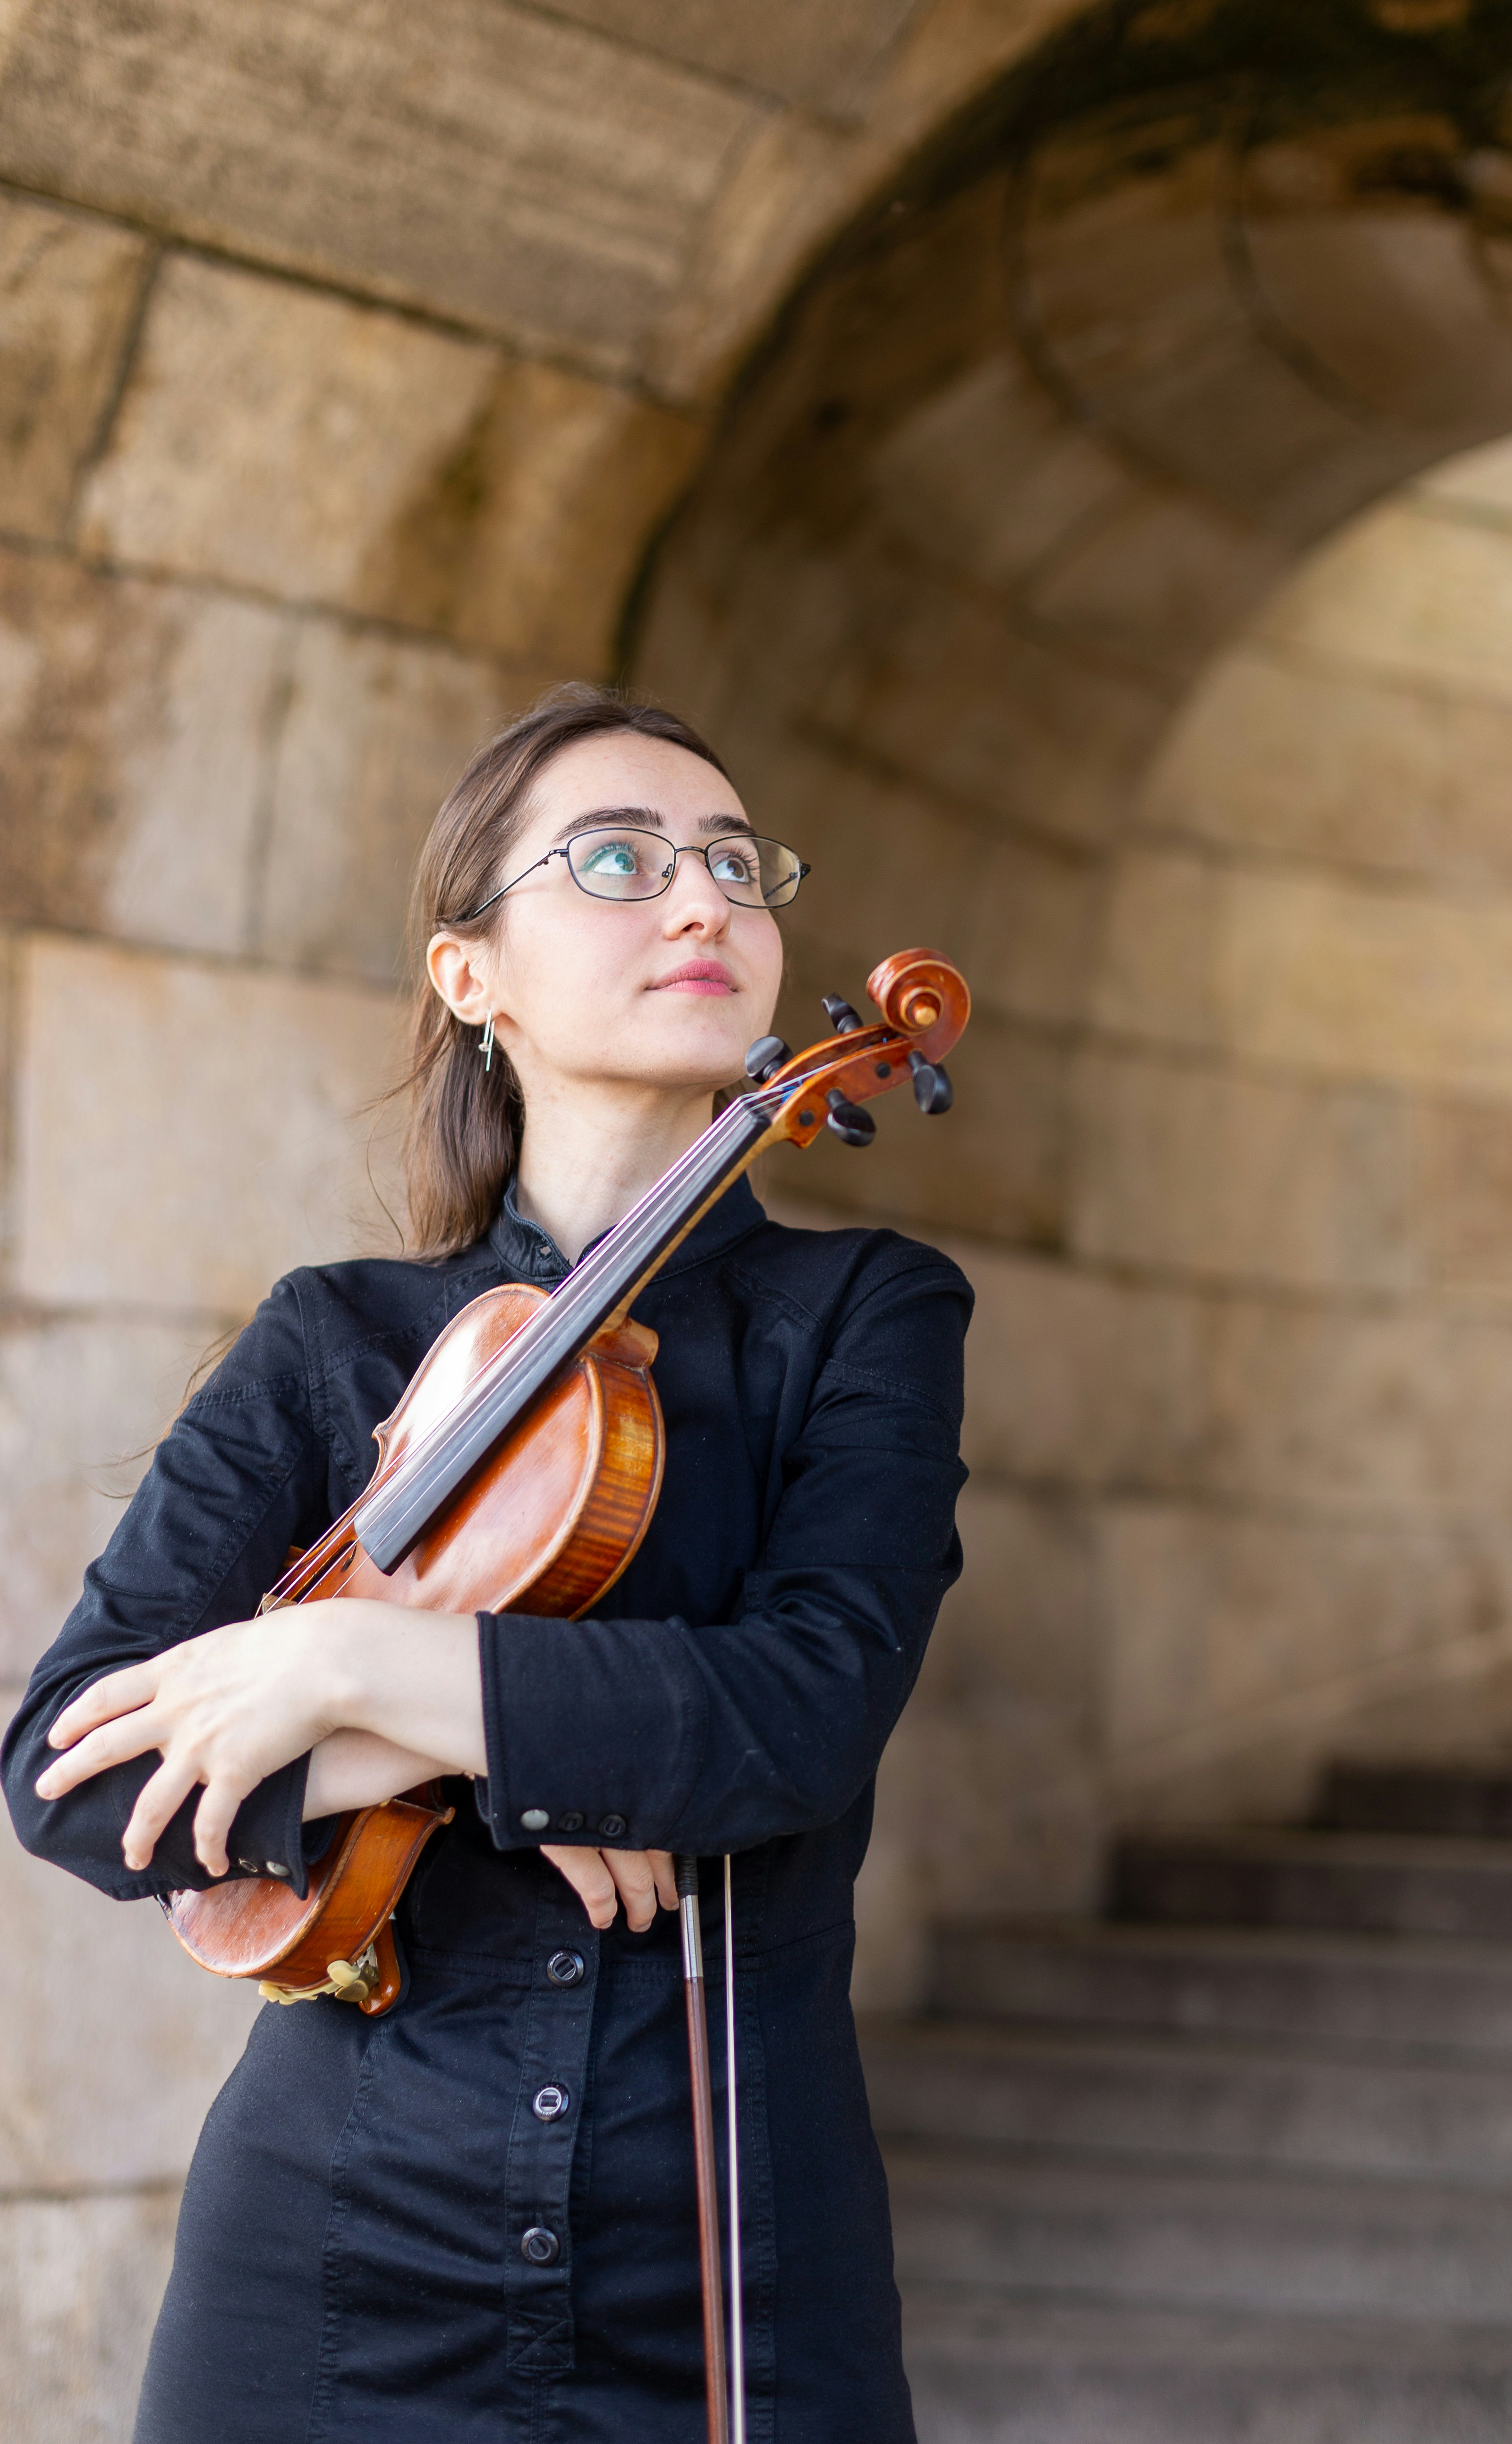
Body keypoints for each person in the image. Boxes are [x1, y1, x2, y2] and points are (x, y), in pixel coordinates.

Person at [2, 683, 970, 2444]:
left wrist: (349, 1674)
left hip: (726, 2244)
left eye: (735, 866)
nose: (702, 903)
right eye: (619, 860)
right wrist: (518, 1753)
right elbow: (68, 1767)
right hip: (329, 2246)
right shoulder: (330, 1344)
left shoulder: (865, 1316)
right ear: (475, 977)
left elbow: (803, 1711)